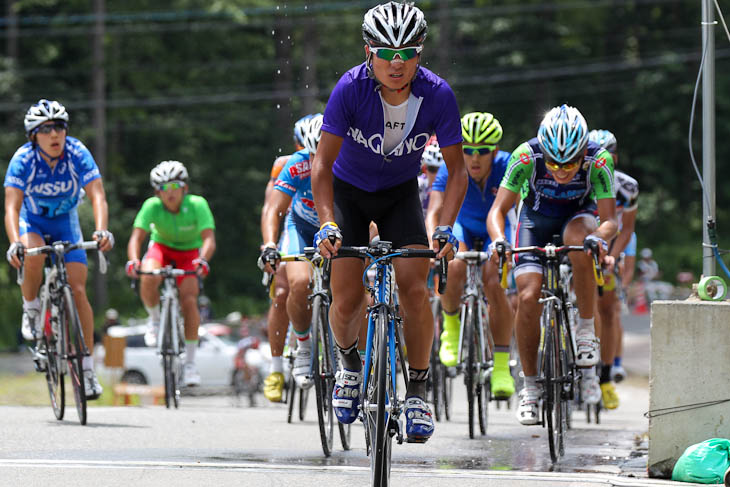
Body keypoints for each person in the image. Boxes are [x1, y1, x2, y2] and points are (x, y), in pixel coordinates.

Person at [311, 1, 467, 443]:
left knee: (415, 291)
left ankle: (417, 389)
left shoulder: (438, 94)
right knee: (345, 299)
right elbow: (322, 164)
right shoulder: (349, 89)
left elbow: (457, 171)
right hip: (348, 196)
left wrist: (445, 227)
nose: (396, 62)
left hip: (401, 196)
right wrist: (326, 223)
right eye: (385, 51)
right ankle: (348, 365)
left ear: (420, 53)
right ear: (368, 51)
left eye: (407, 52)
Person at [487, 104, 617, 426]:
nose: (561, 171)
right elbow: (497, 211)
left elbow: (611, 220)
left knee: (578, 238)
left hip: (579, 218)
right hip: (535, 220)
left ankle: (586, 332)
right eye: (554, 163)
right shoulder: (525, 156)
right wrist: (498, 239)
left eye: (571, 163)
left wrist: (598, 237)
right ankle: (530, 388)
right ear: (542, 152)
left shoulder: (599, 161)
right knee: (528, 296)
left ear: (583, 154)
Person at [4, 99, 114, 399]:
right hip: (33, 222)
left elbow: (98, 196)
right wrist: (15, 241)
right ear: (33, 136)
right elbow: (11, 207)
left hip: (66, 222)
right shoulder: (23, 159)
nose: (55, 135)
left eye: (60, 127)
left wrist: (102, 229)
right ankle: (31, 309)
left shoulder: (77, 152)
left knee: (78, 290)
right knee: (34, 254)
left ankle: (88, 371)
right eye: (46, 129)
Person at [425, 112, 515, 399]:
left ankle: (501, 367)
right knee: (453, 265)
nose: (474, 158)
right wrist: (433, 243)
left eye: (483, 151)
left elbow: (521, 209)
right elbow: (434, 212)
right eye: (468, 150)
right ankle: (451, 323)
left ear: (496, 151)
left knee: (494, 283)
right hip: (462, 225)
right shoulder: (450, 168)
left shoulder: (508, 165)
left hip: (496, 227)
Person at [126, 160, 216, 387]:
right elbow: (136, 238)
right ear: (158, 192)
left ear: (185, 188)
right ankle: (155, 320)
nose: (170, 193)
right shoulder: (151, 206)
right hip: (161, 248)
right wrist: (134, 260)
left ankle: (190, 364)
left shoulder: (198, 204)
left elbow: (208, 239)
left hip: (189, 252)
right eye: (164, 188)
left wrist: (202, 260)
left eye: (175, 186)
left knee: (189, 300)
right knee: (149, 275)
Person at [259, 114, 324, 396]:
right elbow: (272, 208)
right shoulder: (292, 165)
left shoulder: (351, 162)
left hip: (336, 228)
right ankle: (302, 347)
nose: (316, 160)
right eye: (309, 152)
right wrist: (270, 244)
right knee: (292, 288)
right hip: (298, 227)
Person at [588, 129, 639, 408]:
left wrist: (614, 258)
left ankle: (606, 376)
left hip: (614, 243)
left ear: (614, 158)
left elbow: (627, 229)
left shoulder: (627, 187)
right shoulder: (579, 176)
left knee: (608, 310)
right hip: (583, 240)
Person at [418, 135, 444, 217]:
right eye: (432, 169)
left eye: (442, 170)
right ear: (424, 169)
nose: (437, 176)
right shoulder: (418, 185)